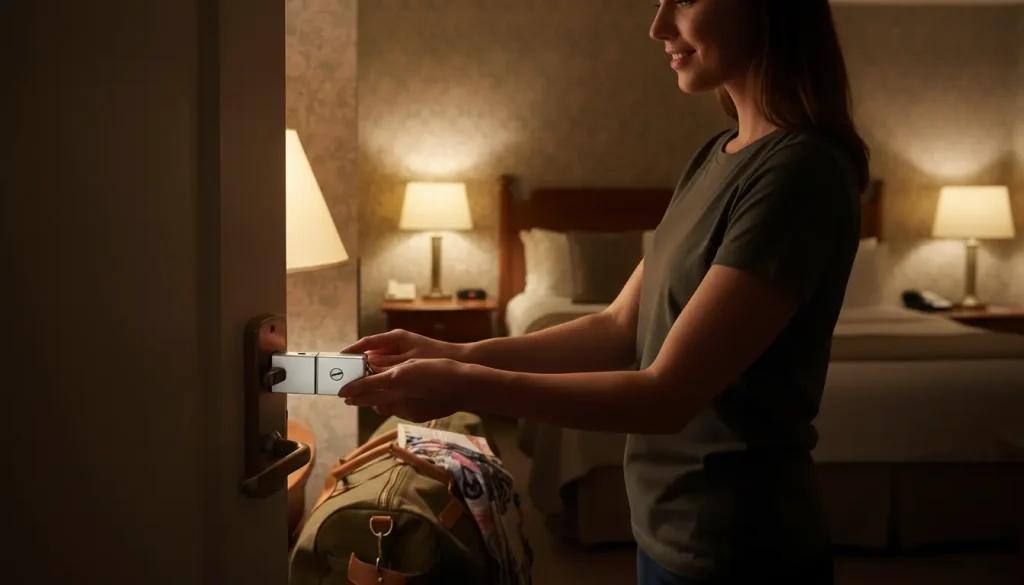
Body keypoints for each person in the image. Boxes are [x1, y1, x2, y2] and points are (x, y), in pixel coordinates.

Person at [340, 0, 868, 583]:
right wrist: (457, 353)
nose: (658, 26)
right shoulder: (715, 157)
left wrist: (465, 384)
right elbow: (618, 328)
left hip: (737, 545)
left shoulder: (799, 173)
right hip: (665, 524)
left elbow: (666, 395)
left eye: (684, 0)